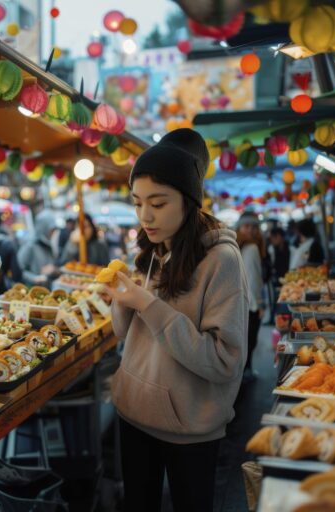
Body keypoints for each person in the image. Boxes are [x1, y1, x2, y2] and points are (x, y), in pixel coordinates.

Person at [103, 129, 249, 512]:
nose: (145, 216)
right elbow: (123, 333)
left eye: (158, 203)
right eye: (137, 203)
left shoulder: (222, 260)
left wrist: (148, 305)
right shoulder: (152, 251)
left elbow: (224, 360)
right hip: (133, 413)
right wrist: (122, 301)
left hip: (190, 428)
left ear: (189, 200)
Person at [236, 211, 265, 379]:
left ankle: (243, 373)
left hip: (237, 301)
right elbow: (253, 280)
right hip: (250, 303)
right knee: (249, 340)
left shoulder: (236, 245)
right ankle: (246, 373)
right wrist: (259, 304)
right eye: (246, 226)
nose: (251, 230)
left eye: (254, 227)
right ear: (239, 227)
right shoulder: (252, 248)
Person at [17, 210, 60, 287]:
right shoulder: (30, 245)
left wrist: (53, 269)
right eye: (51, 230)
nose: (53, 234)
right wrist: (34, 278)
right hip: (31, 290)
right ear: (44, 228)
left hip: (46, 289)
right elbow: (18, 270)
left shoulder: (48, 245)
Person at [267, 226, 290, 323]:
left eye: (273, 238)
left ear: (279, 236)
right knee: (275, 299)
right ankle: (275, 318)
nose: (272, 240)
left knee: (284, 300)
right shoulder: (271, 249)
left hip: (288, 280)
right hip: (276, 279)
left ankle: (283, 319)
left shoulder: (290, 248)